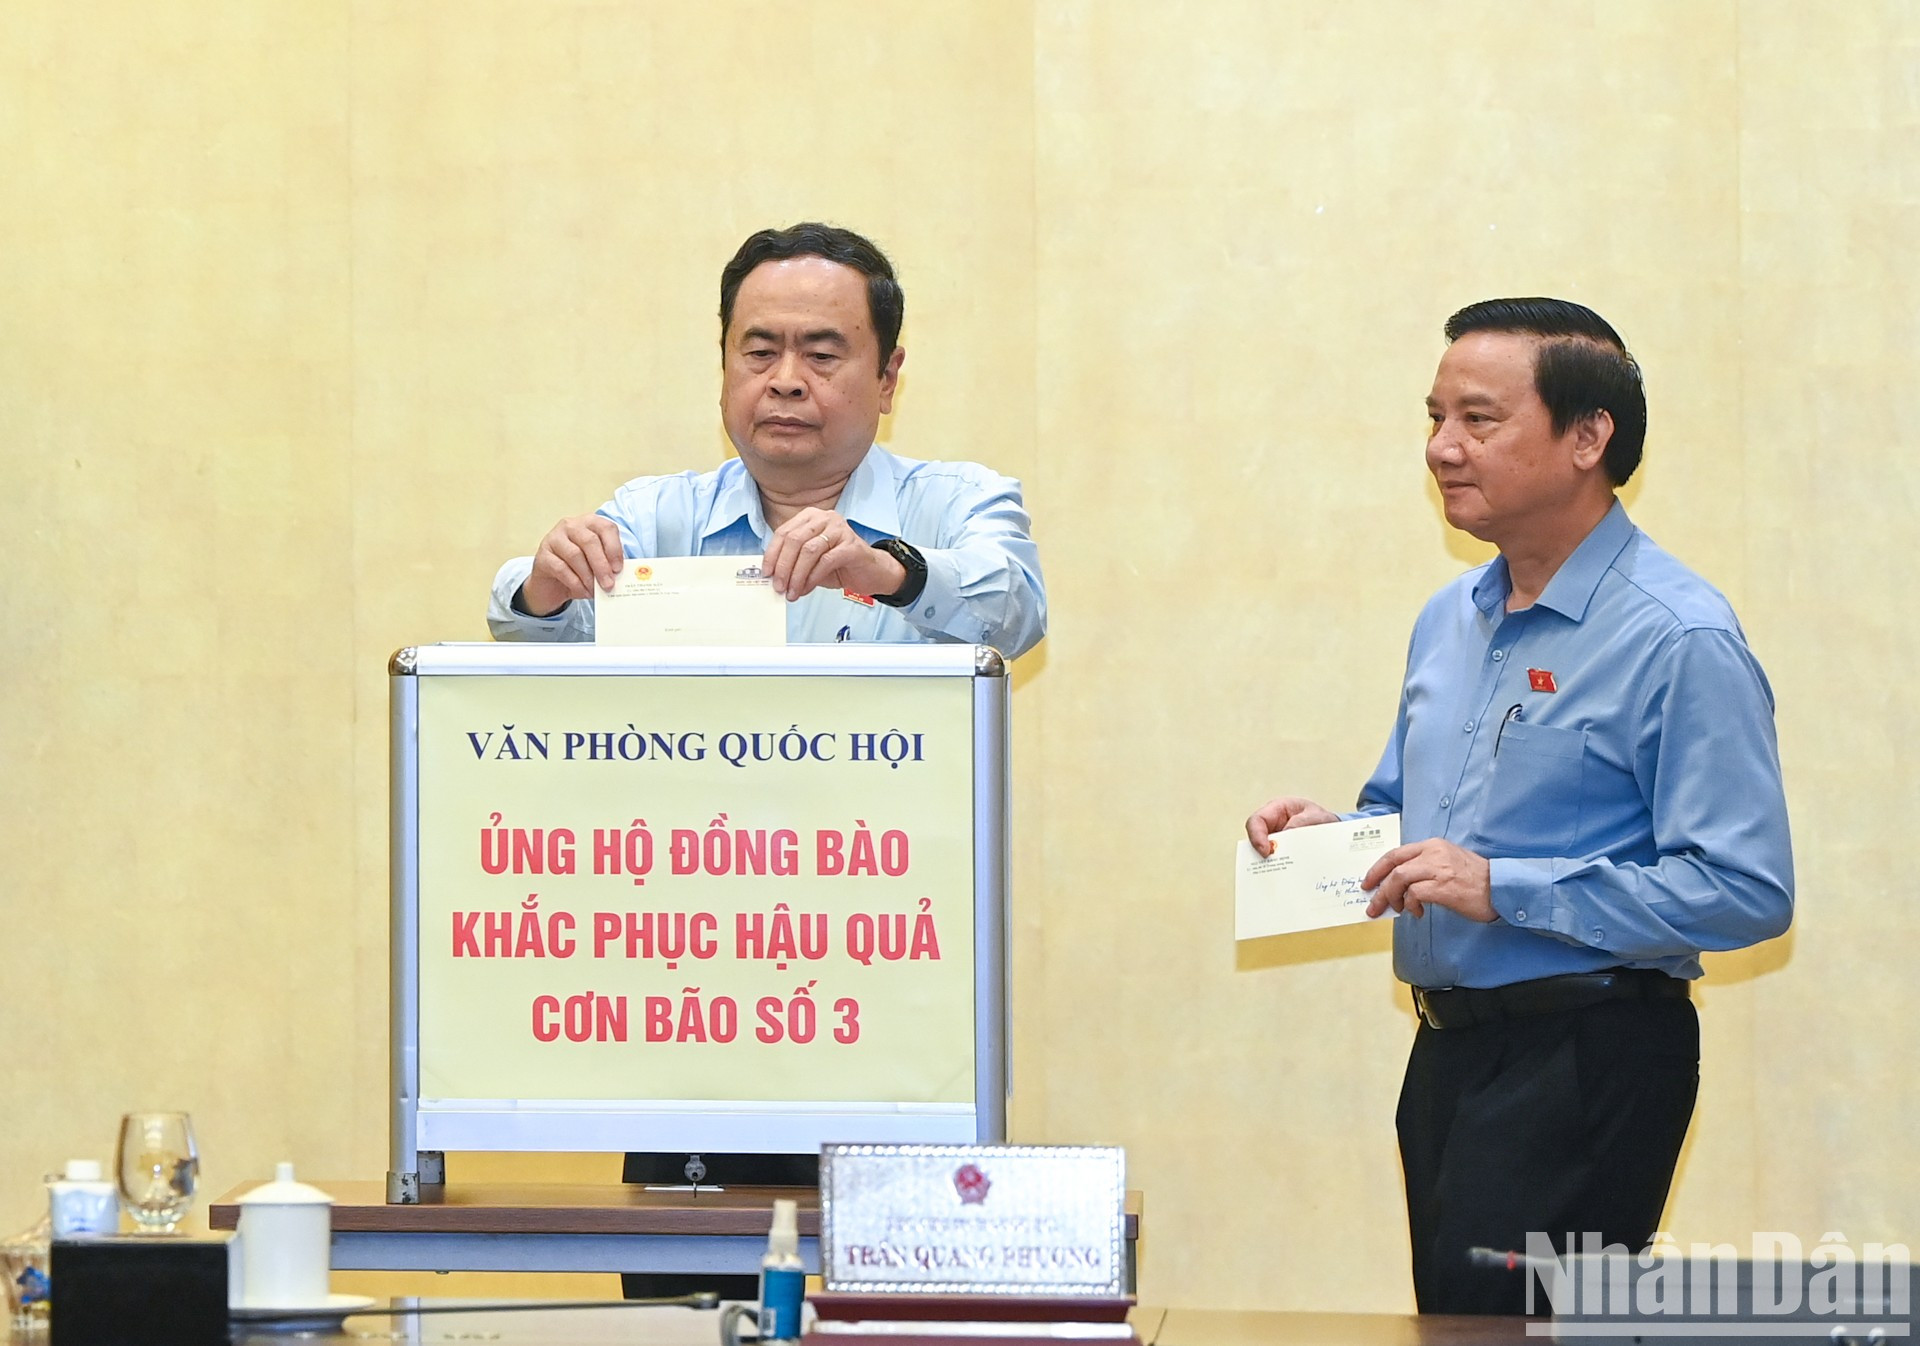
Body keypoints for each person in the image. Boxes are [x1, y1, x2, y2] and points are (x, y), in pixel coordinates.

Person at [1245, 298, 1793, 1315]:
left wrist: (1508, 887)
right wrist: (1340, 839)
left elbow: (1745, 888)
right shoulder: (1448, 618)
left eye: (1479, 420)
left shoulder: (1680, 637)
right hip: (1448, 1053)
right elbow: (1415, 819)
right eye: (1435, 416)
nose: (1441, 447)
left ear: (1590, 436)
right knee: (1453, 1319)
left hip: (1589, 1057)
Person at [488, 221, 1046, 660]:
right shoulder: (656, 516)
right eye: (759, 353)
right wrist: (543, 588)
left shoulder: (958, 501)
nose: (785, 380)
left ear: (887, 377)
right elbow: (536, 636)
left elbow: (1017, 614)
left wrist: (891, 574)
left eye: (822, 356)